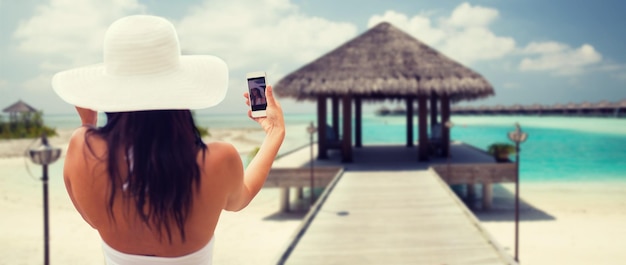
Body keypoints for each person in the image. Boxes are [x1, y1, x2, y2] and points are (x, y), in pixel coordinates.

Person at [51, 15, 285, 264]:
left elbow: (92, 215)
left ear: (111, 92)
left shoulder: (82, 148)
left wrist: (88, 124)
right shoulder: (219, 160)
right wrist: (275, 134)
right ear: (179, 88)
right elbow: (242, 196)